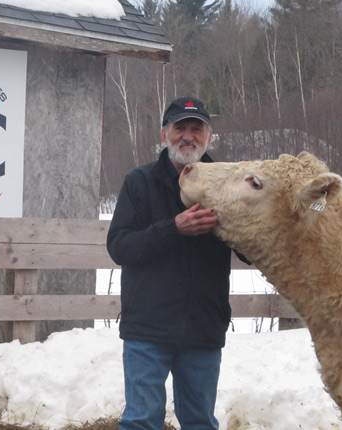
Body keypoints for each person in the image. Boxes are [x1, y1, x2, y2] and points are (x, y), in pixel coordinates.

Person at [107, 97, 236, 430]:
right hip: (148, 328)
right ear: (165, 133)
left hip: (204, 325)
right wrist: (172, 228)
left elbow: (251, 246)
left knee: (199, 422)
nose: (188, 136)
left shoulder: (228, 186)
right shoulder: (139, 182)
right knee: (141, 420)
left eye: (197, 129)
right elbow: (120, 246)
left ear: (209, 136)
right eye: (180, 128)